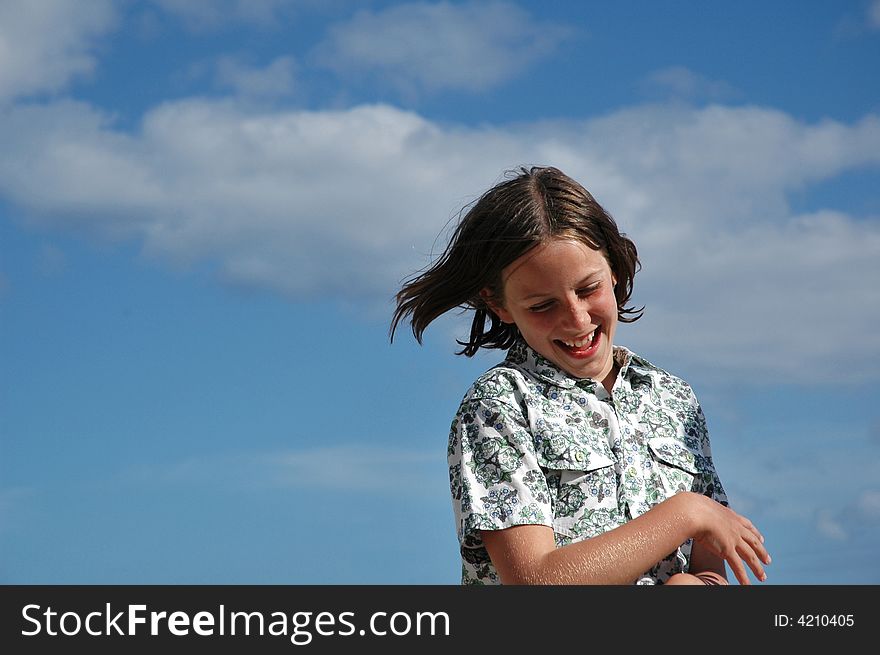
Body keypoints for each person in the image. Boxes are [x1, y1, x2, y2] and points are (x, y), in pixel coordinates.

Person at [390, 166, 771, 585]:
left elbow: (708, 569)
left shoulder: (675, 399)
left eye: (588, 289)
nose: (575, 319)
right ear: (498, 304)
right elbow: (534, 581)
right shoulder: (498, 405)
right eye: (541, 306)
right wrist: (686, 513)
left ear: (615, 270)